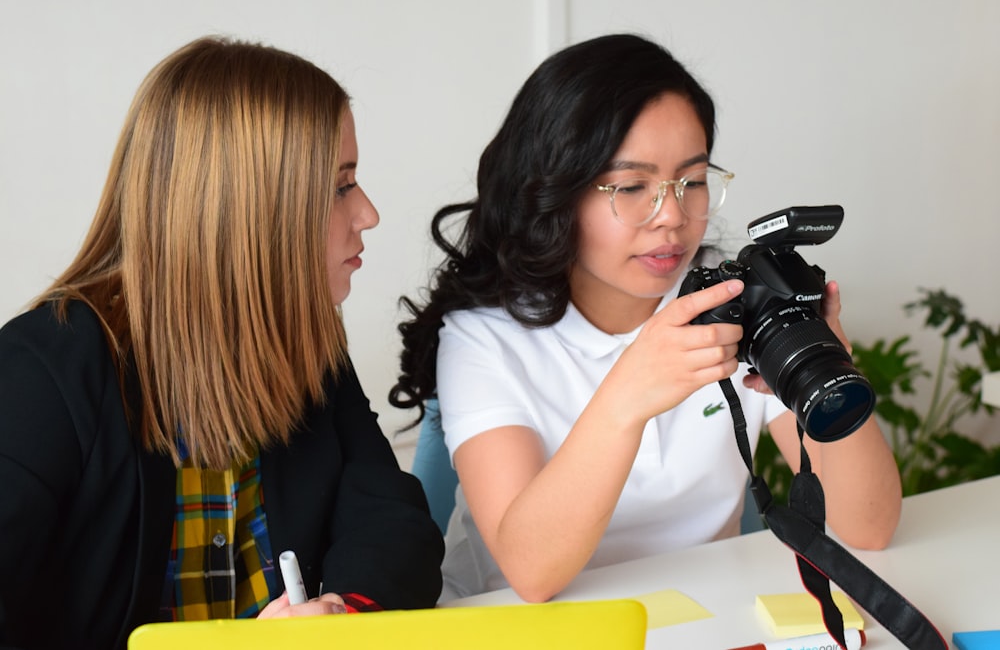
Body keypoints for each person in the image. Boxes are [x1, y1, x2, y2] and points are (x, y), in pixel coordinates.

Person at [389, 33, 902, 604]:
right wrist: (629, 392)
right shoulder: (484, 337)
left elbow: (869, 528)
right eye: (633, 186)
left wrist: (829, 359)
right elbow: (530, 573)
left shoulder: (731, 297)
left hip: (710, 616)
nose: (673, 216)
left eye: (694, 180)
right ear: (555, 193)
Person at [0, 36, 443, 649]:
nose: (368, 213)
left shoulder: (306, 338)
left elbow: (392, 523)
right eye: (342, 186)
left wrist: (337, 615)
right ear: (253, 208)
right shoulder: (40, 376)